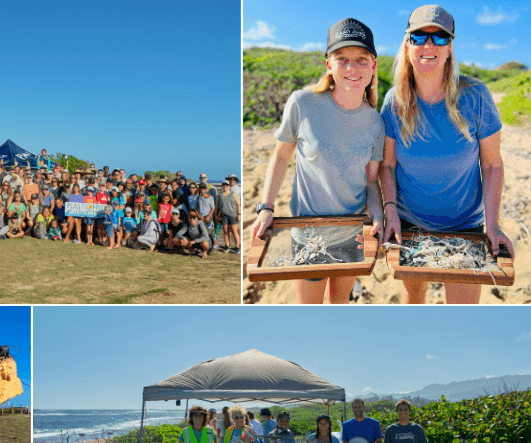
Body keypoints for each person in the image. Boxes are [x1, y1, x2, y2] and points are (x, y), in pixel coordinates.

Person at [379, 4, 513, 304]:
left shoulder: (476, 96)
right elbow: (386, 165)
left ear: (450, 48)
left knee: (463, 308)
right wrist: (390, 212)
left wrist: (492, 224)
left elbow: (492, 165)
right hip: (409, 224)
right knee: (414, 301)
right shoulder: (393, 103)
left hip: (465, 225)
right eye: (419, 37)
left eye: (439, 38)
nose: (429, 45)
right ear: (407, 45)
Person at [251, 17, 385, 304]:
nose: (352, 67)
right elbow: (280, 156)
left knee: (339, 307)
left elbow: (372, 180)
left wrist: (378, 216)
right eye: (342, 58)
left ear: (373, 66)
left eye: (361, 59)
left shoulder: (376, 122)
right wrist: (266, 207)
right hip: (307, 232)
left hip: (353, 232)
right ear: (329, 64)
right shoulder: (302, 104)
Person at [217, 181, 241, 253]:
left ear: (229, 186)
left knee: (234, 232)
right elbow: (217, 206)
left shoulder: (233, 194)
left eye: (226, 185)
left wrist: (239, 214)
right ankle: (227, 246)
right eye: (223, 185)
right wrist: (216, 215)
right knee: (225, 231)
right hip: (224, 216)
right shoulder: (220, 195)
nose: (225, 186)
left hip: (233, 215)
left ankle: (237, 247)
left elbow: (238, 204)